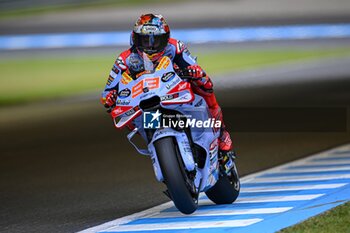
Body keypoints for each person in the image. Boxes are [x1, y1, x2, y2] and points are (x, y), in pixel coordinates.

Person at [100, 13, 236, 170]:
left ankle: (221, 133)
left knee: (204, 83)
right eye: (145, 40)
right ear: (135, 39)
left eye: (155, 40)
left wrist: (194, 73)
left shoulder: (175, 47)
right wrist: (109, 98)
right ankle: (156, 147)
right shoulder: (124, 59)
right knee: (120, 113)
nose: (150, 45)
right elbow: (108, 91)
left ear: (165, 38)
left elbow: (194, 67)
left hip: (175, 92)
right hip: (144, 101)